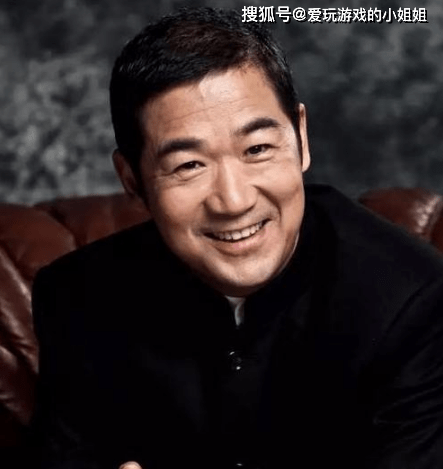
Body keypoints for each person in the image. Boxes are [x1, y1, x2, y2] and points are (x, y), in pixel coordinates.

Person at [29, 7, 443, 469]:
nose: (233, 200)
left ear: (301, 138)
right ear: (132, 179)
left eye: (258, 149)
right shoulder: (76, 298)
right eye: (189, 165)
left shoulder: (411, 300)